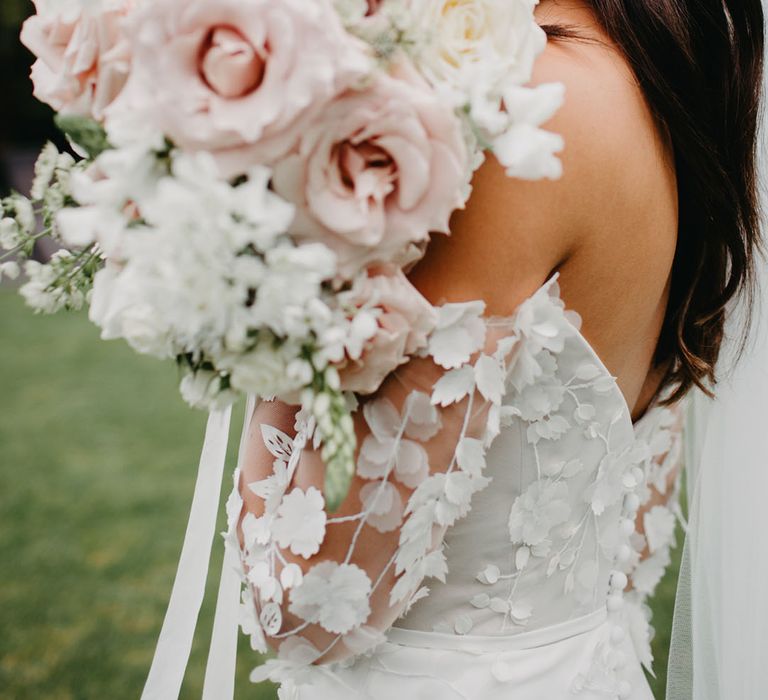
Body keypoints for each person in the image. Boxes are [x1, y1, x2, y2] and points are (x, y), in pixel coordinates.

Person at [232, 1, 765, 698]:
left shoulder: (527, 106)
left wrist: (257, 310)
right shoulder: (679, 78)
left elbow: (311, 607)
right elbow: (626, 551)